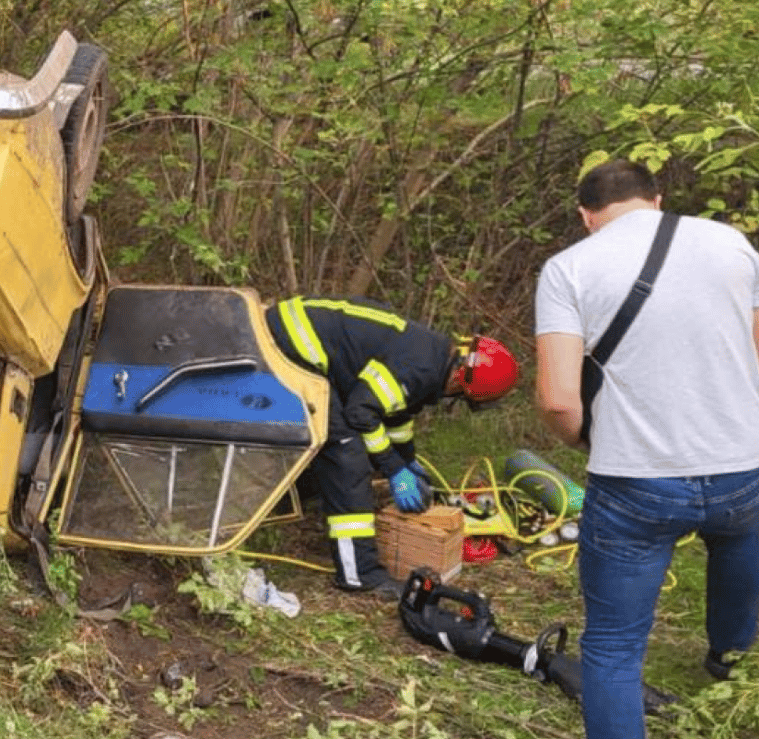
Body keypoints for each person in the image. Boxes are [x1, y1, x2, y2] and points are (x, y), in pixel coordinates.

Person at [535, 158, 759, 739]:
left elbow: (559, 399)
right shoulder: (732, 245)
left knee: (612, 646)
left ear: (587, 216)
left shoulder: (567, 269)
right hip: (742, 465)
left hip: (636, 479)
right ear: (656, 199)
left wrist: (585, 440)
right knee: (737, 546)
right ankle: (730, 660)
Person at [265, 296, 519, 596]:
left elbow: (395, 413)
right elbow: (361, 412)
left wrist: (408, 460)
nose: (456, 399)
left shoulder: (434, 356)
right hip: (290, 347)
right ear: (459, 380)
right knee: (346, 451)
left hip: (296, 337)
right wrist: (395, 470)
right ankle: (359, 574)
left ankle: (286, 501)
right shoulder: (421, 369)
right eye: (462, 395)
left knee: (343, 442)